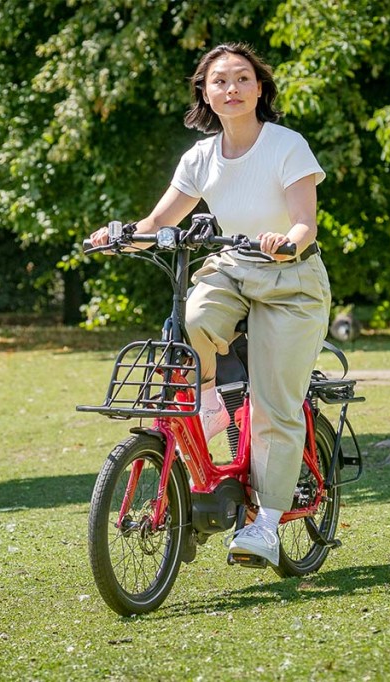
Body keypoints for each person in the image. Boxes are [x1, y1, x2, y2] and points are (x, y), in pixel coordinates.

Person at [88, 43, 331, 566]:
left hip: (290, 280)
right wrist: (118, 237)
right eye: (219, 81)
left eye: (243, 79)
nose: (232, 89)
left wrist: (285, 240)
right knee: (191, 322)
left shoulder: (287, 145)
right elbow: (156, 224)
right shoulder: (200, 157)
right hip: (232, 269)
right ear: (205, 91)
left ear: (259, 88)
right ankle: (216, 405)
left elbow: (305, 225)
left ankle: (265, 525)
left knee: (273, 408)